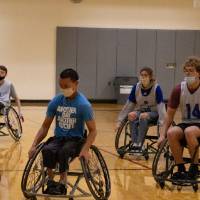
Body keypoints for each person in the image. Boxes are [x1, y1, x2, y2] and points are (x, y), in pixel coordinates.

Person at [28, 68, 97, 195]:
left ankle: (63, 181)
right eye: (61, 86)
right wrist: (33, 145)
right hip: (59, 138)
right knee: (47, 149)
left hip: (76, 140)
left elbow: (93, 131)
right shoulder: (56, 101)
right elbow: (44, 127)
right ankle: (50, 180)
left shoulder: (84, 105)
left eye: (67, 86)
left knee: (64, 151)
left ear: (76, 84)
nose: (64, 89)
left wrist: (86, 149)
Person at [158, 56, 200, 180]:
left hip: (198, 125)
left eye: (191, 70)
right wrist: (161, 135)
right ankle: (180, 168)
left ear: (198, 72)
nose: (188, 73)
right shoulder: (178, 89)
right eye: (186, 70)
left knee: (189, 131)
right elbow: (169, 116)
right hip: (187, 122)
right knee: (171, 132)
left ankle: (194, 167)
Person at [116, 67, 166, 150]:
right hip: (140, 111)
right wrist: (120, 120)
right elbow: (128, 105)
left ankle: (139, 144)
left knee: (143, 116)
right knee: (131, 115)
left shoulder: (156, 88)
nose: (143, 77)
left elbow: (161, 108)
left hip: (154, 113)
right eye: (141, 75)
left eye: (145, 75)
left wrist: (162, 125)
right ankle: (134, 143)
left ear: (150, 77)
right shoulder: (136, 87)